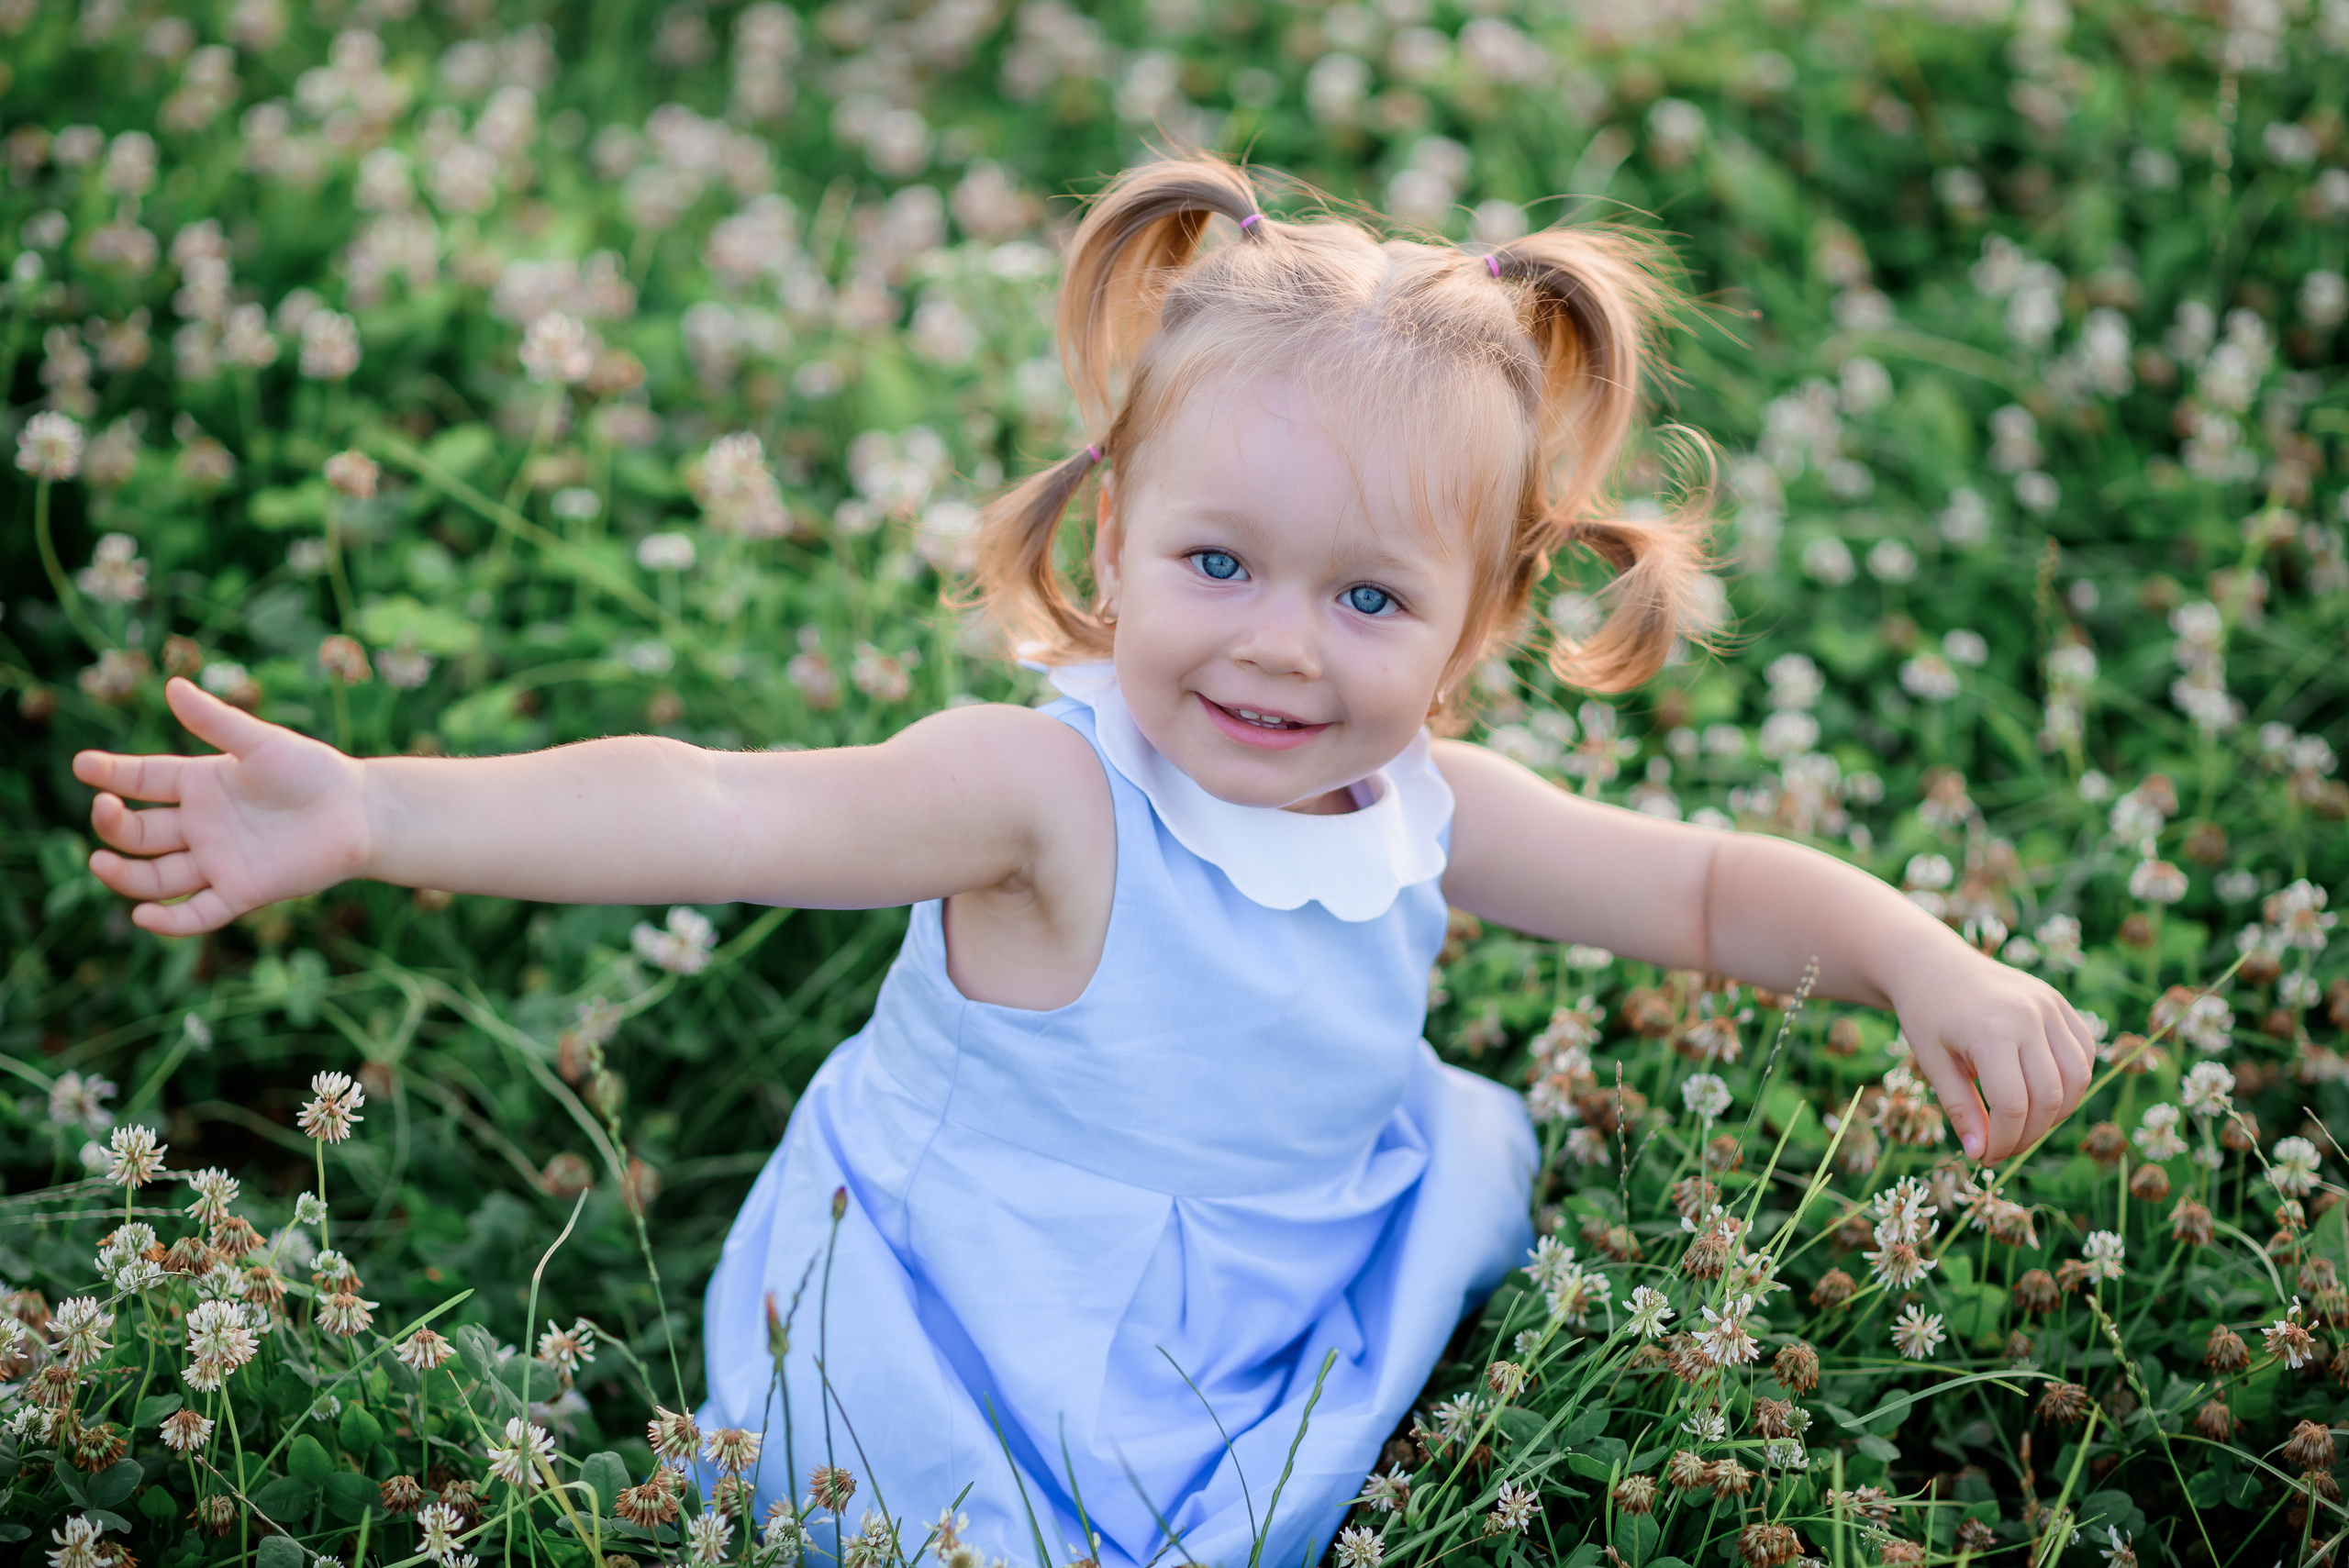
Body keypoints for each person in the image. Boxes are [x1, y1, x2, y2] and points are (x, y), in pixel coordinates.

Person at [72, 150, 2094, 1568]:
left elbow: (1708, 889)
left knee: (1442, 1171)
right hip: (993, 1314)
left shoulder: (1429, 811)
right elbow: (711, 803)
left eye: (1369, 599)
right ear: (1108, 541)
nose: (1280, 644)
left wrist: (1919, 958)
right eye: (1216, 562)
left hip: (1277, 1255)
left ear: (1478, 632)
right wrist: (377, 810)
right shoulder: (1040, 797)